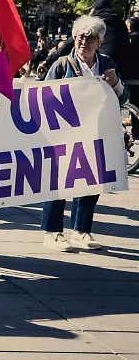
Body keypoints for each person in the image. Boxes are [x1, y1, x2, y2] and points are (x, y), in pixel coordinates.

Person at [39, 16, 127, 252]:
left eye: (90, 39)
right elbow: (42, 98)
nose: (83, 43)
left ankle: (81, 230)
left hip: (96, 133)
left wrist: (116, 83)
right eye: (79, 37)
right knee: (57, 183)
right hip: (64, 135)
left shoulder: (106, 63)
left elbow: (123, 97)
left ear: (99, 42)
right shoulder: (62, 65)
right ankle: (53, 231)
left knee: (91, 182)